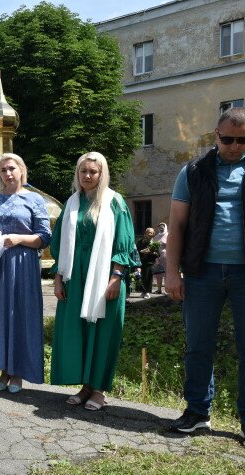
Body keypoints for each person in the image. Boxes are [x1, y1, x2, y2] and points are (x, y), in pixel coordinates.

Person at [166, 107, 245, 451]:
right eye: (228, 139)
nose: (235, 146)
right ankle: (197, 411)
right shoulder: (193, 170)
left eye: (243, 140)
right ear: (216, 134)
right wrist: (172, 272)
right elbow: (177, 225)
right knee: (198, 345)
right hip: (202, 272)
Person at [51, 152, 138, 411]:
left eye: (93, 172)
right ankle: (85, 386)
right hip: (74, 278)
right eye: (83, 171)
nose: (87, 176)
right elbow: (59, 244)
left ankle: (99, 390)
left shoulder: (114, 202)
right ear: (77, 174)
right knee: (79, 330)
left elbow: (124, 242)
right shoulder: (71, 203)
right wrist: (58, 280)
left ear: (102, 174)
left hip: (105, 277)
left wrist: (116, 277)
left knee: (103, 331)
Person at [0, 154, 52, 393]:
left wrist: (18, 239)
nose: (7, 174)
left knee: (20, 315)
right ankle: (2, 369)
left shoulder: (34, 199)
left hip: (23, 264)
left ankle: (17, 372)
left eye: (11, 169)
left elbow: (44, 236)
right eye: (3, 170)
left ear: (21, 170)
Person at [136, 227, 158, 298]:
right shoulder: (141, 242)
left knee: (149, 277)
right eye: (149, 232)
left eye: (152, 233)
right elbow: (136, 251)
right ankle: (143, 292)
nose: (150, 234)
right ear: (145, 233)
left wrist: (152, 253)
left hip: (150, 262)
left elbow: (158, 254)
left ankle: (147, 292)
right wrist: (142, 251)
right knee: (142, 277)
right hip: (142, 262)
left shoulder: (155, 243)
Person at [152, 222, 168, 294]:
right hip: (158, 257)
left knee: (166, 273)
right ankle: (159, 289)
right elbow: (153, 246)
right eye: (159, 227)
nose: (161, 229)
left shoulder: (168, 235)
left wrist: (164, 244)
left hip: (166, 256)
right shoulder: (156, 236)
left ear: (165, 228)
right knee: (158, 273)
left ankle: (167, 290)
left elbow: (172, 245)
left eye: (162, 227)